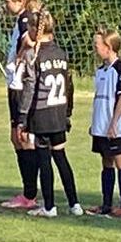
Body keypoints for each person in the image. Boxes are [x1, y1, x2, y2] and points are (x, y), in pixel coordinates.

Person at [16, 12, 80, 218]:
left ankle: (49, 206)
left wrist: (22, 118)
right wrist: (67, 112)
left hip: (41, 113)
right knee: (61, 157)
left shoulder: (34, 55)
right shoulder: (61, 53)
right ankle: (74, 203)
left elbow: (29, 88)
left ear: (36, 30)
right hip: (59, 113)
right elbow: (69, 86)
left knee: (44, 159)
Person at [0, 0, 41, 210]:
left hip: (21, 85)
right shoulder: (21, 18)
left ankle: (30, 193)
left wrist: (20, 56)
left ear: (20, 0)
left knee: (22, 136)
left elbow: (30, 39)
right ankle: (29, 190)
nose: (5, 5)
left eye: (7, 0)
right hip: (15, 84)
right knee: (17, 137)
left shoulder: (26, 18)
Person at [87, 28, 121, 220]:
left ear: (109, 47)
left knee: (120, 160)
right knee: (106, 161)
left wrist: (114, 122)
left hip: (115, 126)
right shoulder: (101, 71)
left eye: (97, 44)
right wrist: (95, 123)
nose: (94, 48)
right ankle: (106, 204)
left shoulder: (119, 69)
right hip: (101, 126)